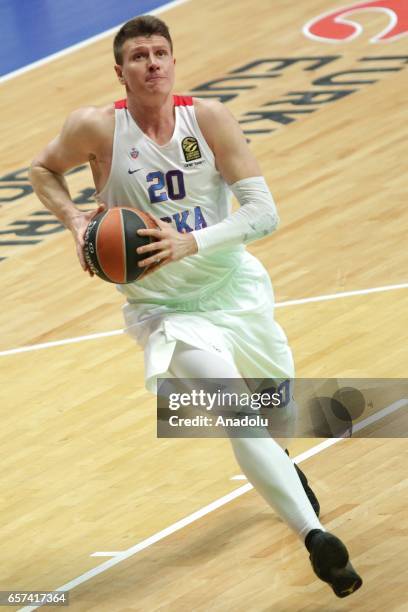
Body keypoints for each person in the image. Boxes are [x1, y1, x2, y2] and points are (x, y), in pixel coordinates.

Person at [29, 15, 362, 598]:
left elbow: (265, 215)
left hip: (234, 290)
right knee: (238, 414)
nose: (152, 63)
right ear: (121, 71)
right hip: (165, 310)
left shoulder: (206, 119)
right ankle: (316, 536)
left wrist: (192, 240)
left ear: (174, 61)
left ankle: (278, 457)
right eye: (139, 56)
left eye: (161, 53)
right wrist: (77, 219)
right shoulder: (96, 129)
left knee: (271, 408)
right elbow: (42, 169)